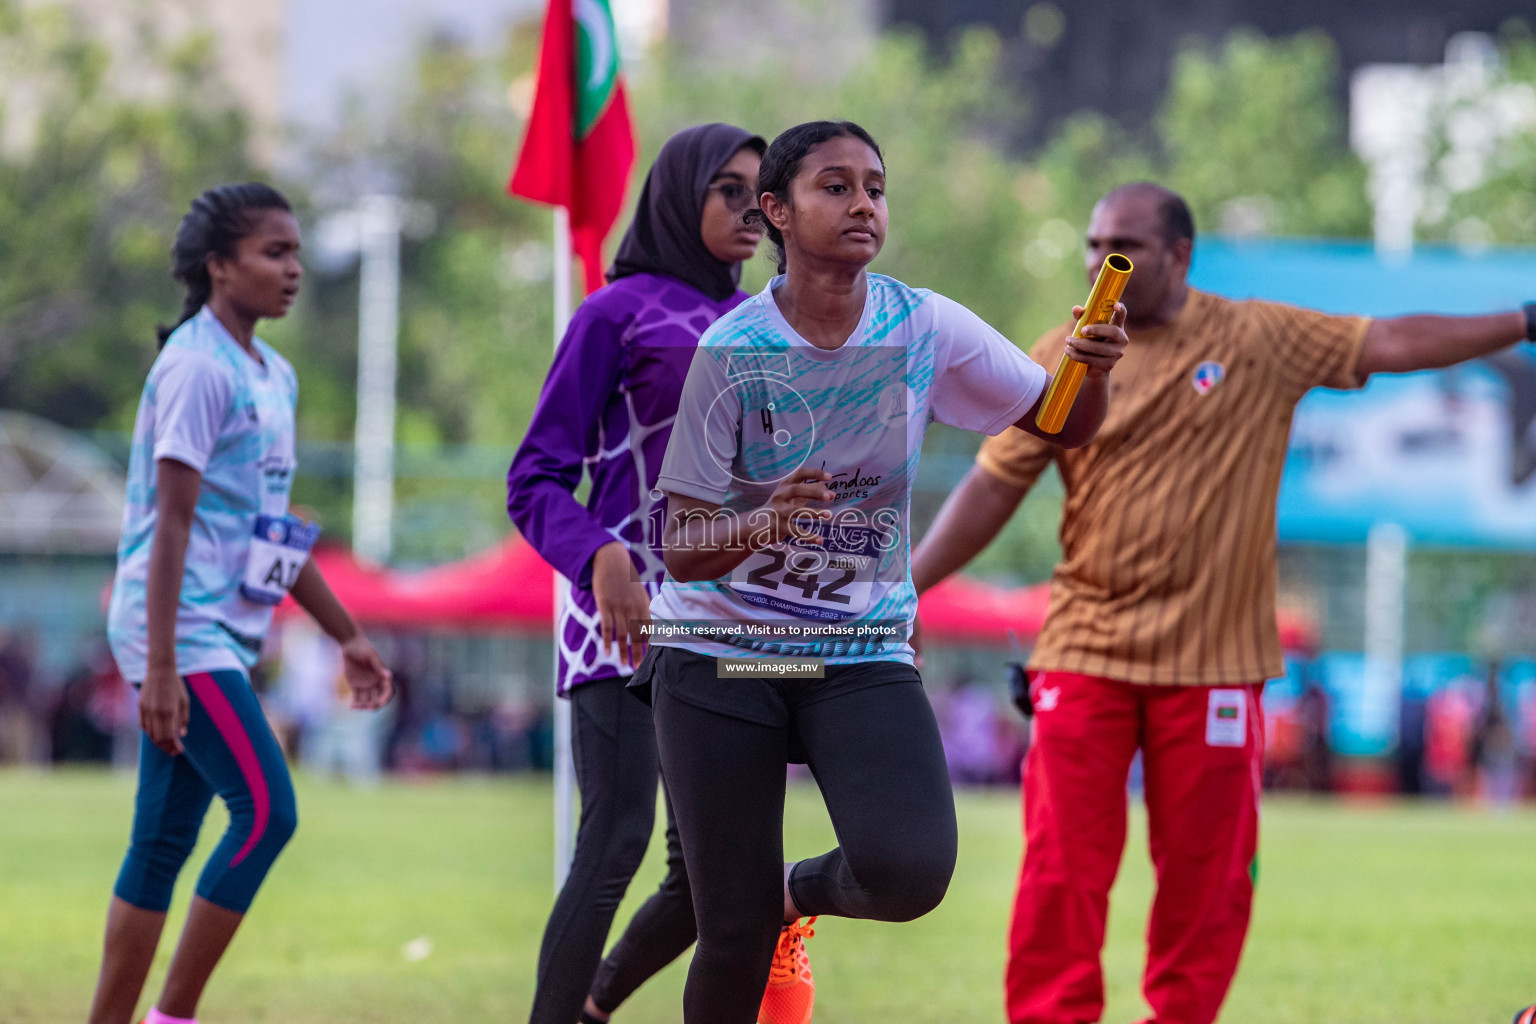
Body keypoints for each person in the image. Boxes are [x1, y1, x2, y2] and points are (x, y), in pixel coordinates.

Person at [910, 181, 1536, 1024]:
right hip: (1085, 653)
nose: (1101, 265)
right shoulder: (1067, 352)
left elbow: (1392, 340)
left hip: (1214, 663)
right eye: (1093, 246)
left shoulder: (1258, 336)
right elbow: (991, 490)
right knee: (1060, 870)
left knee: (1209, 879)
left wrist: (1526, 321)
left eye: (1121, 249)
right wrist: (905, 590)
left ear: (1179, 257)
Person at [635, 119, 1128, 1024]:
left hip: (854, 650)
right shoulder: (732, 347)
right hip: (723, 650)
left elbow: (1061, 421)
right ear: (776, 211)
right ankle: (756, 910)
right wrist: (768, 517)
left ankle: (796, 891)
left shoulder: (923, 324)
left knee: (909, 870)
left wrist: (1089, 370)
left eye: (875, 186)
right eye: (836, 186)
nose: (863, 203)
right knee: (730, 928)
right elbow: (681, 543)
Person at [90, 183, 393, 1024]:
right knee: (266, 812)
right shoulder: (194, 366)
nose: (294, 270)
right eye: (274, 253)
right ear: (219, 267)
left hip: (216, 629)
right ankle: (172, 1016)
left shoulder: (275, 376)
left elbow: (270, 534)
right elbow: (171, 530)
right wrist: (159, 669)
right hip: (178, 630)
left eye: (296, 252)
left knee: (160, 843)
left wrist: (350, 639)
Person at [506, 122, 768, 1024]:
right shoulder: (614, 315)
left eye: (759, 191)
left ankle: (594, 1004)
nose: (749, 208)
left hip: (729, 617)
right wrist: (599, 557)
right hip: (621, 609)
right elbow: (534, 476)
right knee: (614, 839)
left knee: (713, 875)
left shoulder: (761, 325)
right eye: (727, 188)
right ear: (678, 193)